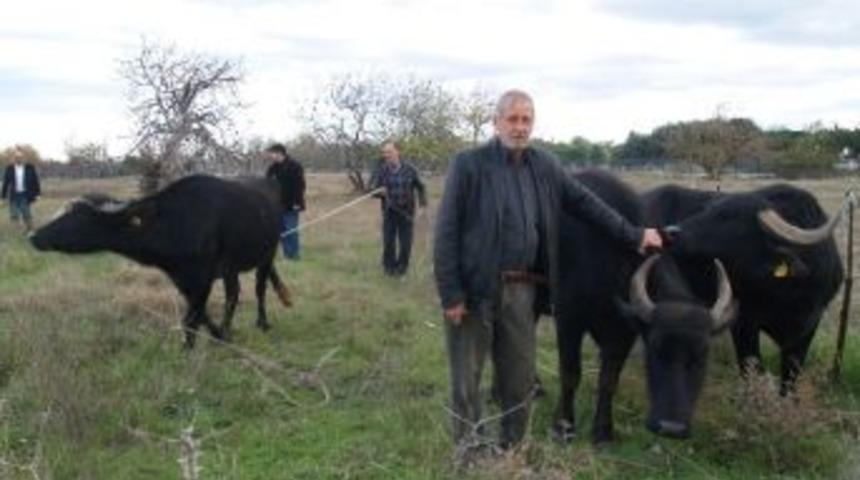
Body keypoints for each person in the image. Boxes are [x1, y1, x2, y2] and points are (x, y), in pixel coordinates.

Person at [433, 90, 663, 452]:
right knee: (467, 380)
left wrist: (634, 235)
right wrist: (451, 292)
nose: (520, 127)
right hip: (476, 289)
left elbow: (588, 204)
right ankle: (471, 451)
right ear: (496, 122)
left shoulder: (544, 165)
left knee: (519, 377)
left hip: (524, 289)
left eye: (526, 120)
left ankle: (512, 447)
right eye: (512, 119)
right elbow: (446, 230)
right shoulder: (469, 164)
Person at [369, 141, 427, 276]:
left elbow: (421, 187)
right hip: (389, 212)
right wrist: (379, 191)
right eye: (384, 153)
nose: (386, 155)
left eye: (389, 152)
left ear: (397, 152)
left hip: (406, 212)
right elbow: (371, 190)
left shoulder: (410, 169)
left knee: (406, 244)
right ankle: (389, 269)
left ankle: (401, 270)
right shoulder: (381, 170)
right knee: (389, 242)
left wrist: (422, 205)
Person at [265, 143, 306, 260]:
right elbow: (267, 184)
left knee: (291, 230)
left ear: (279, 153)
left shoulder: (294, 166)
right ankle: (287, 255)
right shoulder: (273, 168)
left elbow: (300, 186)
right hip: (277, 205)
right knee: (281, 231)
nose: (270, 156)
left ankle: (294, 255)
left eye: (271, 153)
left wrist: (297, 203)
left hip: (292, 205)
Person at [1, 148, 41, 233]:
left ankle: (30, 229)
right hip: (14, 195)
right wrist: (3, 197)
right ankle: (19, 230)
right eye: (16, 157)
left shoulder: (30, 168)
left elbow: (35, 181)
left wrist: (37, 194)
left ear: (23, 158)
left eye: (20, 157)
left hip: (25, 194)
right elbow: (6, 183)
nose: (18, 159)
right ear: (14, 158)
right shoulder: (9, 168)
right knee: (14, 214)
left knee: (26, 212)